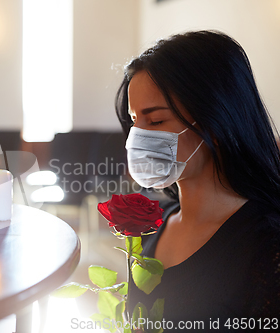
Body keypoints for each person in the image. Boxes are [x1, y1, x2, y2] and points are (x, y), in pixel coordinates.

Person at [116, 30, 280, 330]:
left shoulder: (267, 246)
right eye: (134, 121)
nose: (137, 138)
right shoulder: (152, 225)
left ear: (216, 120)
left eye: (156, 121)